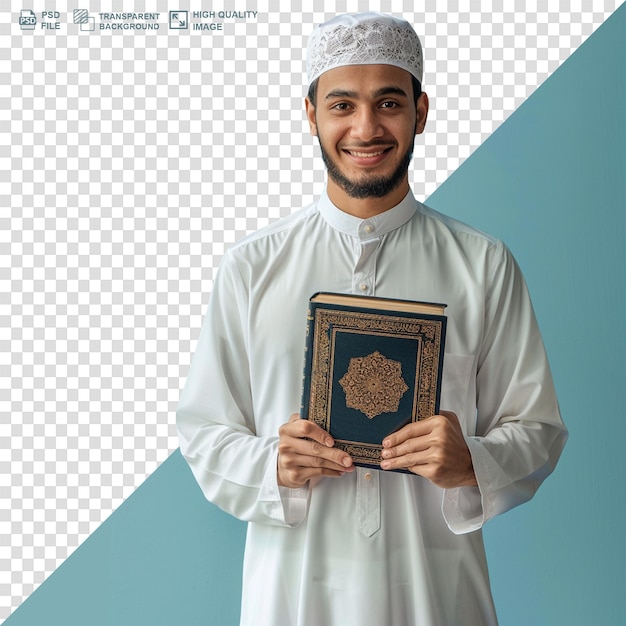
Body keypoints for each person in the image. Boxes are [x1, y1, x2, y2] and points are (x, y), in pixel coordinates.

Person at [177, 12, 567, 625]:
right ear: (310, 114)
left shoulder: (482, 265)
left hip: (436, 597)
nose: (366, 128)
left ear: (421, 110)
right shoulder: (252, 267)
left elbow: (538, 431)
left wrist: (473, 462)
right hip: (295, 597)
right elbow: (205, 432)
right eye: (341, 105)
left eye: (388, 102)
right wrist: (271, 465)